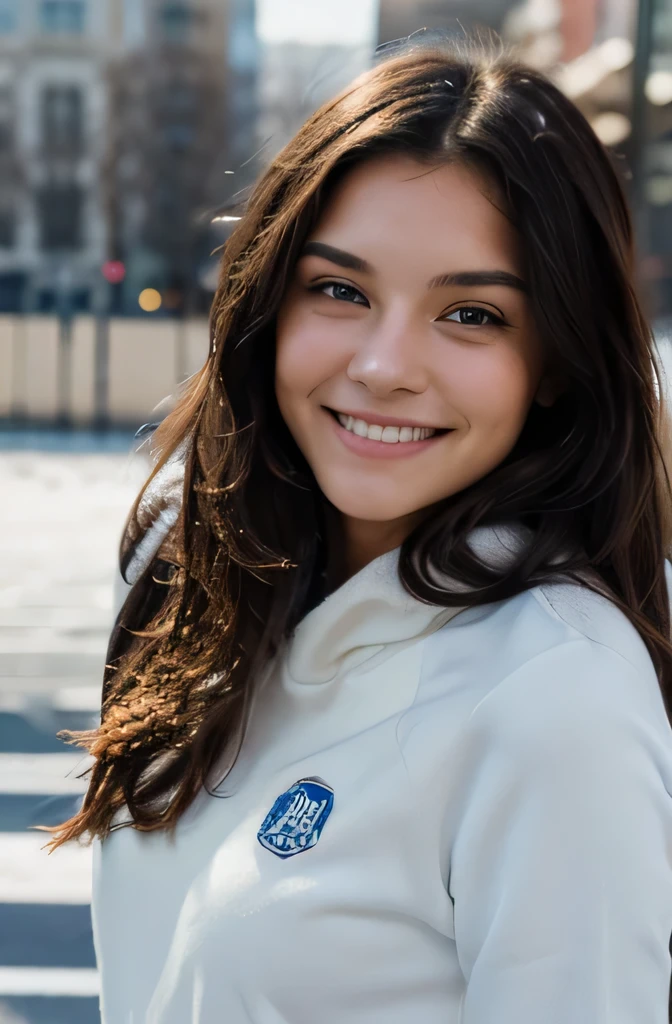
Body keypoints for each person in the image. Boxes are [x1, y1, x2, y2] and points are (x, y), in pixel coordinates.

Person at [42, 38, 672, 1024]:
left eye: (470, 314)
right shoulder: (184, 581)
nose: (383, 365)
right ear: (268, 301)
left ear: (554, 362)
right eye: (341, 289)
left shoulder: (556, 697)